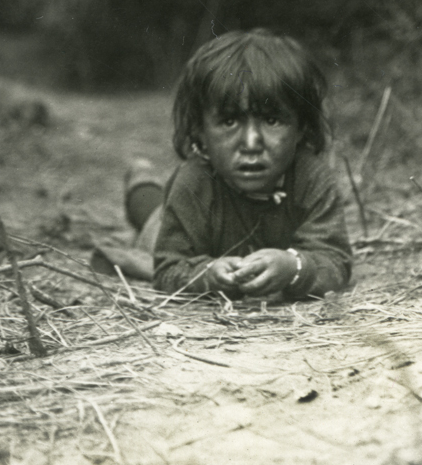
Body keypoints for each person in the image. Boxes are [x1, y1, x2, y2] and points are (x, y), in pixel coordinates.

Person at [110, 29, 352, 300]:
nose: (251, 143)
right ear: (199, 130)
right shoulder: (192, 183)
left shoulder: (312, 178)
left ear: (301, 128)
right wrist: (207, 274)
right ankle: (140, 177)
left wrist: (293, 268)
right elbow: (168, 269)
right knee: (152, 219)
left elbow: (335, 260)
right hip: (173, 220)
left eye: (272, 121)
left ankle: (145, 175)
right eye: (229, 122)